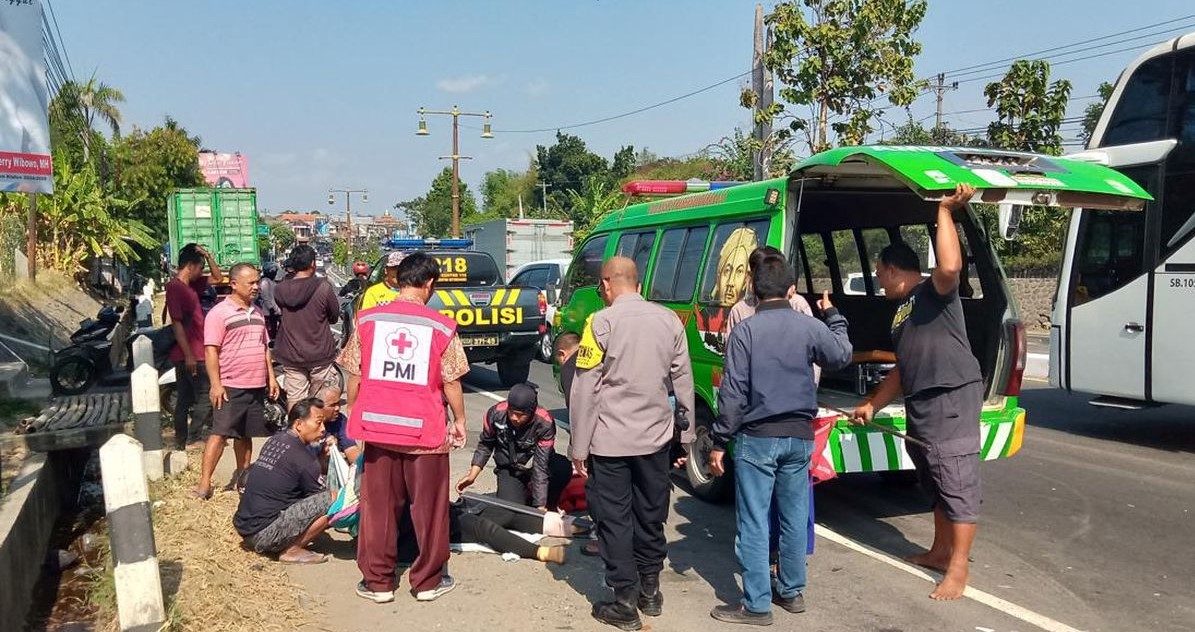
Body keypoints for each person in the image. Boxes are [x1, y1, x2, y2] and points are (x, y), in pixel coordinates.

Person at [852, 183, 985, 601]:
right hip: (922, 399)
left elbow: (950, 267)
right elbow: (902, 370)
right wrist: (872, 404)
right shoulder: (902, 311)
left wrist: (945, 212)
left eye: (878, 275)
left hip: (951, 395)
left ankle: (958, 569)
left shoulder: (933, 291)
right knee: (934, 478)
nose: (878, 282)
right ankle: (940, 550)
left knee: (956, 478)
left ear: (892, 269)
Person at [708, 254, 853, 625]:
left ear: (754, 289)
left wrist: (719, 441)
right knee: (793, 515)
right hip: (800, 436)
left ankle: (756, 604)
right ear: (791, 289)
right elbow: (841, 354)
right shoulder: (808, 326)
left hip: (758, 437)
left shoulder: (746, 331)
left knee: (755, 521)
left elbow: (734, 393)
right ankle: (791, 591)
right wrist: (834, 316)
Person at [569, 256, 695, 630]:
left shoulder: (600, 323)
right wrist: (686, 436)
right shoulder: (669, 320)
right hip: (656, 439)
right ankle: (651, 590)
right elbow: (683, 380)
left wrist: (579, 447)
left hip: (610, 442)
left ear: (607, 284)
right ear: (637, 283)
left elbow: (586, 388)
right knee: (651, 513)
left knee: (614, 520)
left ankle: (624, 600)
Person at [338, 252, 468, 605]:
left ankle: (378, 582)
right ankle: (427, 582)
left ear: (397, 281)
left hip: (378, 430)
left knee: (379, 509)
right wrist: (459, 421)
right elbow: (451, 380)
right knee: (429, 510)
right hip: (424, 434)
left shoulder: (368, 320)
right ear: (429, 284)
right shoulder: (440, 326)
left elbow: (354, 374)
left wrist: (355, 412)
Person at [195, 263, 279, 499]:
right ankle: (204, 484)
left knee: (245, 434)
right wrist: (216, 384)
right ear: (233, 284)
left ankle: (244, 478)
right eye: (250, 283)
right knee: (220, 433)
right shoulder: (219, 314)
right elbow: (211, 350)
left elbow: (264, 348)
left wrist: (270, 378)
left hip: (255, 384)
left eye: (256, 282)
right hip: (231, 385)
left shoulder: (258, 313)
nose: (256, 287)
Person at [233, 398, 334, 564]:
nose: (323, 429)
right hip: (263, 534)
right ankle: (292, 549)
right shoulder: (304, 458)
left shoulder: (275, 440)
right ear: (299, 424)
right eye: (318, 423)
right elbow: (319, 497)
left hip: (245, 528)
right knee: (335, 499)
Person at [456, 384, 573, 511]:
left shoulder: (544, 422)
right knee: (510, 512)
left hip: (535, 466)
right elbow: (485, 444)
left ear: (531, 411)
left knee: (562, 467)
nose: (514, 418)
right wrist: (472, 474)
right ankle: (521, 497)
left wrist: (540, 505)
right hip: (510, 469)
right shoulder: (496, 413)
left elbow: (541, 465)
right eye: (511, 412)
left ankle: (548, 507)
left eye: (520, 415)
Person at [165, 243, 224, 450]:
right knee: (206, 395)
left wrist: (207, 255)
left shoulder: (191, 285)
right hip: (191, 354)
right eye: (200, 267)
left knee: (186, 398)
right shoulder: (175, 288)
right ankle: (192, 438)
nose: (202, 272)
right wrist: (189, 354)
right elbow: (177, 323)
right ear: (190, 266)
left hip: (194, 350)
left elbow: (218, 278)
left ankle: (182, 441)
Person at [273, 245, 341, 409]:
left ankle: (296, 434)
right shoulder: (323, 287)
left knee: (296, 402)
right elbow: (333, 317)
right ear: (313, 263)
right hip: (319, 354)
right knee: (322, 401)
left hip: (291, 354)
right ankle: (321, 433)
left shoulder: (279, 288)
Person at [315, 383, 360, 462]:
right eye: (332, 405)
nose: (337, 408)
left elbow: (351, 449)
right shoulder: (306, 424)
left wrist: (360, 469)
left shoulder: (340, 419)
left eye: (338, 403)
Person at [554, 332, 581, 406]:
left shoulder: (568, 368)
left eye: (558, 361)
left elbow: (571, 402)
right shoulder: (593, 357)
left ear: (562, 354)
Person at [258, 261, 282, 342]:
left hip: (273, 310)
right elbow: (266, 297)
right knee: (270, 329)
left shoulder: (271, 281)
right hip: (268, 311)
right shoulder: (265, 282)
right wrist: (271, 308)